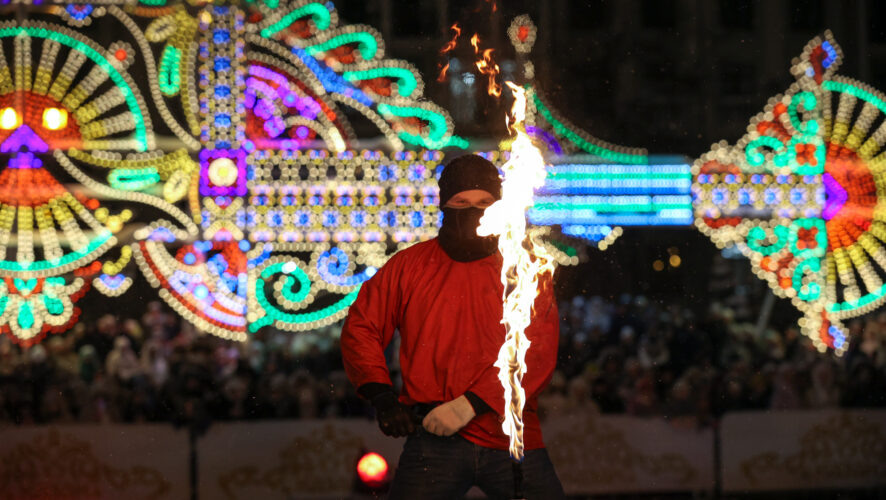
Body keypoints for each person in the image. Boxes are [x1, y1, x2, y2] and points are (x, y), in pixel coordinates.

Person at [341, 154, 565, 499]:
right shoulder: (408, 266)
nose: (473, 211)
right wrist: (381, 395)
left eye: (484, 203)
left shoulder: (527, 270)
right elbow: (362, 327)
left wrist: (469, 405)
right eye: (461, 202)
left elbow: (537, 350)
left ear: (499, 207)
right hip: (433, 439)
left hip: (511, 439)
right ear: (444, 204)